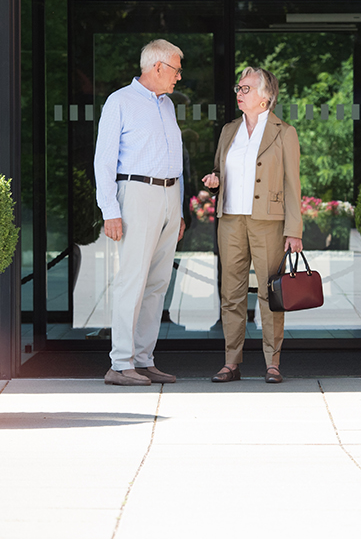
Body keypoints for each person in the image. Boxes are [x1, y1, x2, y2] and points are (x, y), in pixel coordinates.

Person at [94, 39, 187, 386]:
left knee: (158, 282)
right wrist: (110, 210)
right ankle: (120, 364)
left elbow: (174, 158)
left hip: (169, 195)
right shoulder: (119, 101)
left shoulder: (167, 105)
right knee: (132, 280)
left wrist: (178, 210)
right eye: (176, 69)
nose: (179, 76)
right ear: (158, 67)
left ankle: (144, 360)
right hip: (136, 193)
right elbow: (104, 160)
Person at [202, 67, 303, 384]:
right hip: (230, 220)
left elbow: (292, 184)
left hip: (268, 222)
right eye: (238, 87)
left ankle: (273, 363)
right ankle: (231, 362)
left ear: (266, 96)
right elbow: (219, 171)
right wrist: (214, 181)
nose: (239, 93)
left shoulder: (284, 132)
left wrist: (294, 230)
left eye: (246, 88)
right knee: (230, 294)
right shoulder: (229, 130)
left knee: (270, 294)